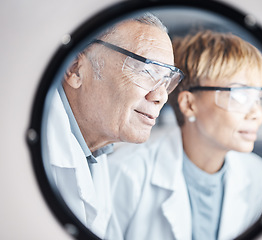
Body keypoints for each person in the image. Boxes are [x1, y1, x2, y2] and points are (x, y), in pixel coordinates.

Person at [108, 30, 262, 240]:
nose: (257, 114)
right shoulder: (126, 172)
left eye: (258, 97)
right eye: (239, 95)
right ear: (189, 104)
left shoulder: (256, 174)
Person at [42, 13, 183, 239]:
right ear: (76, 69)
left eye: (167, 80)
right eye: (146, 70)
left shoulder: (97, 152)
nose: (161, 96)